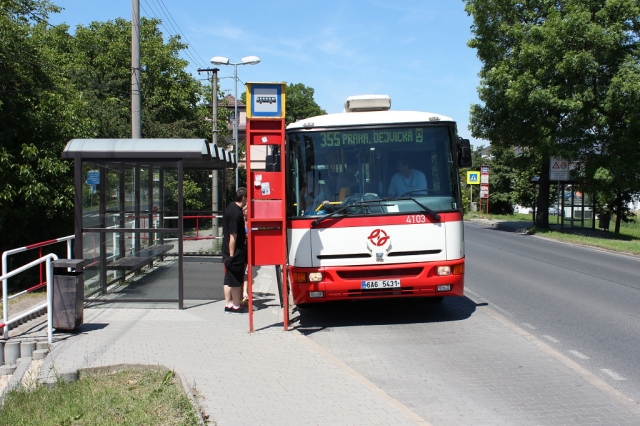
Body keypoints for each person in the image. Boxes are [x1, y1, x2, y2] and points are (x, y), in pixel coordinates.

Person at [222, 187, 248, 314]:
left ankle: (228, 304)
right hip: (234, 252)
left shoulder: (231, 206)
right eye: (247, 197)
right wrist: (232, 257)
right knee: (236, 279)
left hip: (227, 250)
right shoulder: (236, 214)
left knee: (228, 278)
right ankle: (237, 305)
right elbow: (233, 236)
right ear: (244, 198)